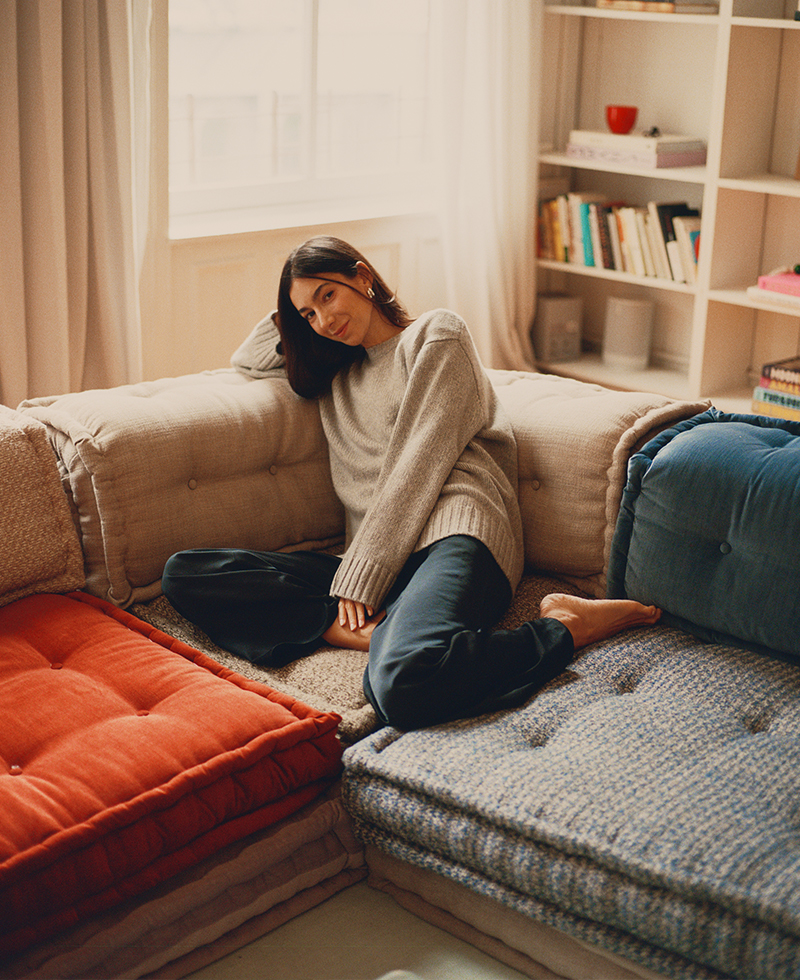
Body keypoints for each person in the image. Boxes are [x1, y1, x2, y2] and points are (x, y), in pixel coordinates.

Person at [162, 236, 660, 730]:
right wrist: (291, 312)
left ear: (362, 276)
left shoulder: (436, 335)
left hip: (456, 535)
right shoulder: (336, 375)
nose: (324, 320)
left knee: (400, 685)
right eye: (308, 315)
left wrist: (364, 574)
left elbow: (421, 459)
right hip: (380, 559)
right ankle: (352, 629)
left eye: (328, 295)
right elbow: (248, 359)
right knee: (186, 573)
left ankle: (566, 628)